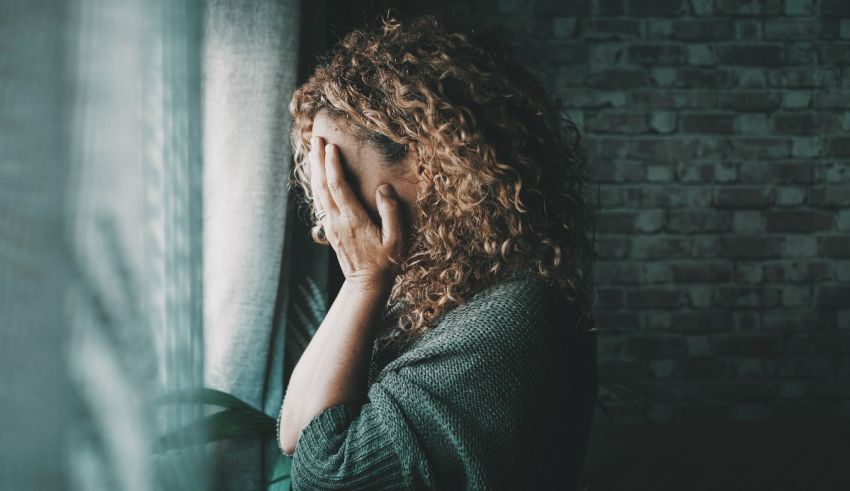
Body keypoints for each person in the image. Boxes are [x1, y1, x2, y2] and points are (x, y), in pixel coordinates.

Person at [277, 11, 598, 490]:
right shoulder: (430, 293)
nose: (331, 213)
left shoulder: (513, 317)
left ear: (431, 164)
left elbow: (326, 476)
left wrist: (366, 279)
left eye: (339, 174)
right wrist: (363, 282)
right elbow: (293, 435)